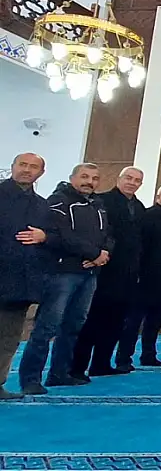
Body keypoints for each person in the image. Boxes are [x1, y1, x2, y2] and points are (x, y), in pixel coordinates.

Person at [20, 163, 113, 394]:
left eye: (94, 178)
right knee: (46, 327)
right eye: (84, 176)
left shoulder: (98, 204)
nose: (89, 181)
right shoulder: (58, 202)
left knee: (73, 326)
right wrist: (93, 254)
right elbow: (63, 236)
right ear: (72, 178)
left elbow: (108, 235)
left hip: (89, 273)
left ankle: (59, 373)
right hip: (61, 273)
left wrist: (102, 255)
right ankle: (30, 379)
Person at [73, 167, 144, 379]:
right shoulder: (102, 201)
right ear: (119, 179)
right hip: (103, 270)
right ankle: (76, 367)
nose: (132, 182)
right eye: (128, 178)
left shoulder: (139, 208)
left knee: (115, 322)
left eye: (137, 180)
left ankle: (101, 363)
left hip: (128, 275)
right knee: (92, 321)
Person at [0, 153, 54, 400]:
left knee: (9, 337)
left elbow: (55, 238)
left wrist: (45, 237)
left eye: (33, 167)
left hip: (21, 282)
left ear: (40, 173)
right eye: (23, 165)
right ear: (12, 167)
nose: (27, 170)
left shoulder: (42, 205)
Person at [117, 184, 161, 369]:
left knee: (155, 323)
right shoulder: (147, 216)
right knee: (133, 322)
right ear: (158, 196)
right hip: (145, 279)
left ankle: (148, 355)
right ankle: (124, 359)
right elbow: (138, 248)